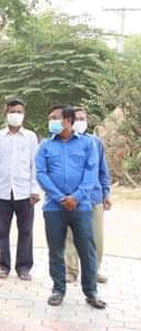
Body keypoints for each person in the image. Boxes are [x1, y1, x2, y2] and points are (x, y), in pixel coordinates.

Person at [35, 105, 105, 309]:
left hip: (81, 206)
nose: (52, 121)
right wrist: (59, 197)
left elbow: (91, 173)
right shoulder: (45, 145)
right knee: (56, 250)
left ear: (68, 121)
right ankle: (58, 289)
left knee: (87, 250)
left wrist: (76, 197)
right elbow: (41, 173)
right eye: (50, 118)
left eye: (55, 118)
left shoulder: (88, 144)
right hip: (53, 207)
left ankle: (91, 292)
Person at [0, 98, 41, 280]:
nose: (15, 115)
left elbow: (35, 165)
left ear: (24, 114)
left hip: (24, 191)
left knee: (26, 231)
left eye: (18, 112)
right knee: (1, 231)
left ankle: (24, 267)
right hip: (2, 192)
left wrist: (35, 189)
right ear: (5, 114)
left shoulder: (31, 137)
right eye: (12, 111)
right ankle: (3, 265)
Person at [64, 107, 111, 284]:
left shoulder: (96, 142)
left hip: (94, 196)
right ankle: (71, 270)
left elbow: (102, 170)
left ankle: (93, 270)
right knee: (70, 236)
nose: (79, 122)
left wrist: (106, 193)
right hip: (71, 197)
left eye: (82, 118)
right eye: (76, 119)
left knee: (96, 236)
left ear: (88, 121)